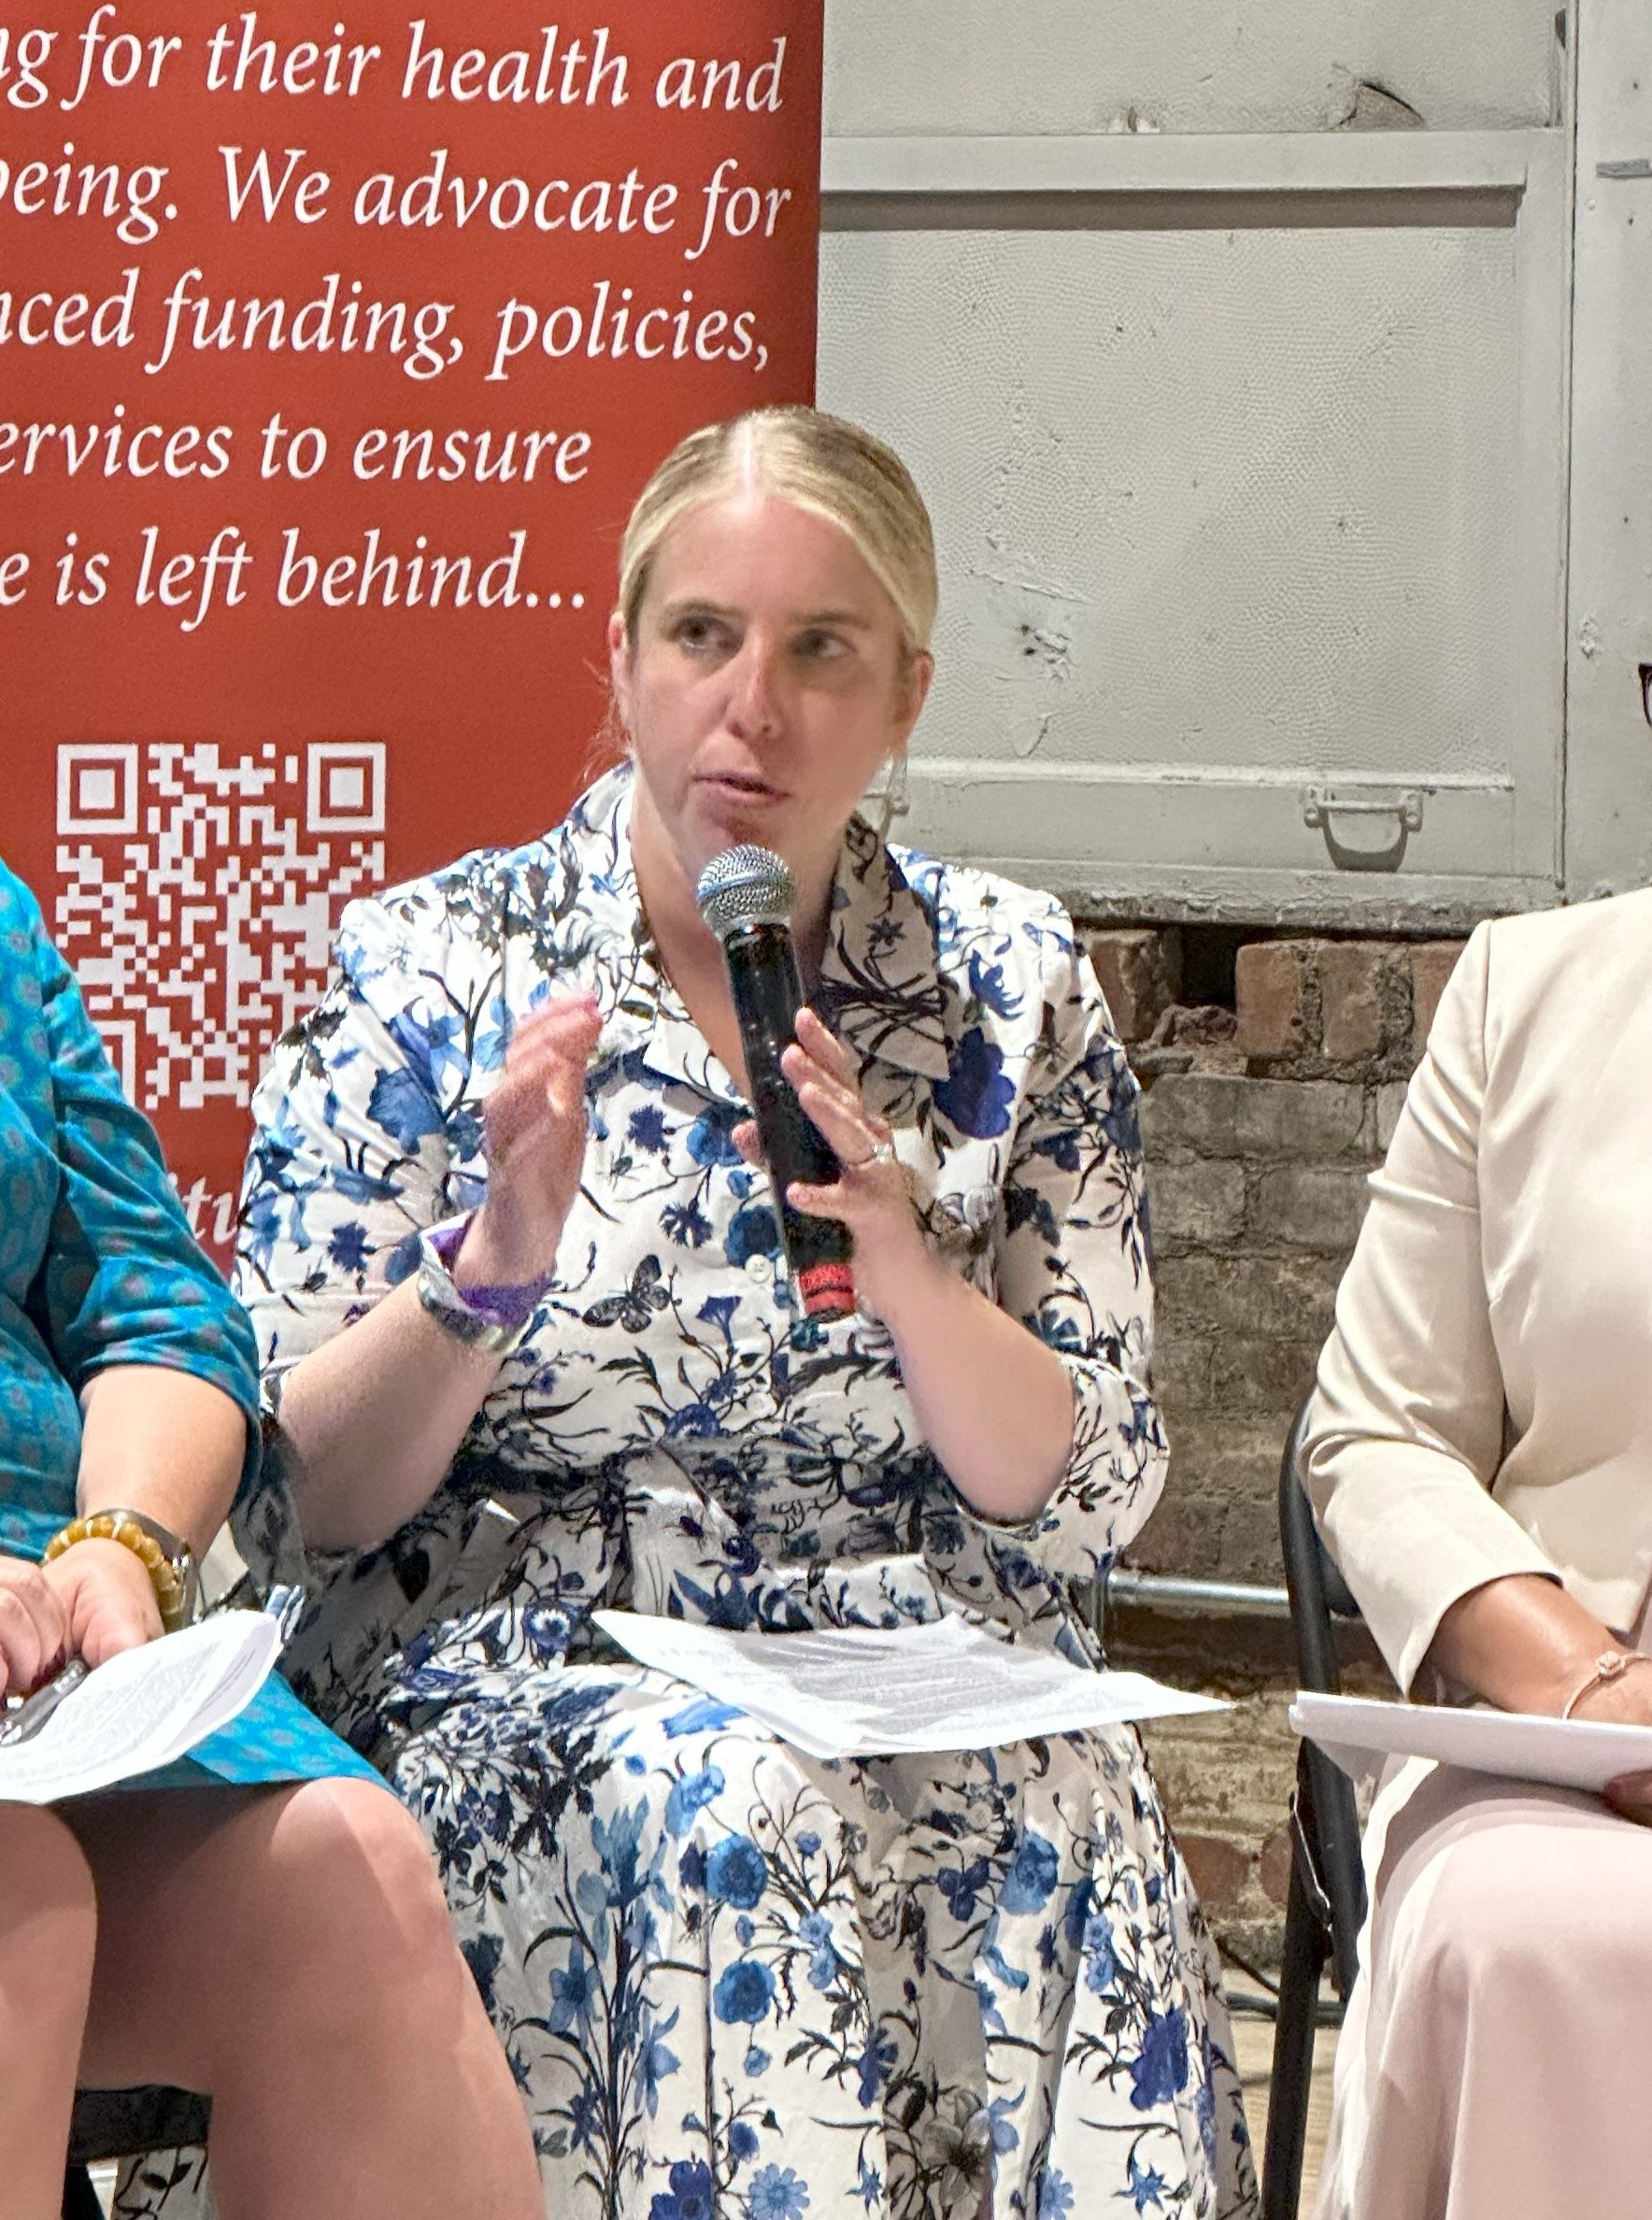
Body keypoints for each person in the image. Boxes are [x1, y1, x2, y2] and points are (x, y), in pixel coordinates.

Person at [137, 407, 1257, 2220]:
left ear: (903, 697)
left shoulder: (1006, 987)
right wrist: (481, 1272)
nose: (755, 706)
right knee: (736, 1807)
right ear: (624, 661)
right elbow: (293, 1497)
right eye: (702, 638)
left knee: (1079, 1794)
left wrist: (903, 1271)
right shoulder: (442, 967)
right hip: (527, 1664)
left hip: (911, 1654)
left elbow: (1083, 1483)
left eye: (821, 651)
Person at [0, 861, 542, 2220]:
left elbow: (155, 1308)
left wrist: (121, 1547)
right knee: (20, 1906)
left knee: (348, 1878)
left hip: (43, 1669)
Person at [1303, 893, 1652, 2218]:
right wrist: (1595, 1687)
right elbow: (1381, 1425)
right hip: (1577, 1735)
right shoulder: (1529, 992)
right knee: (1521, 1936)